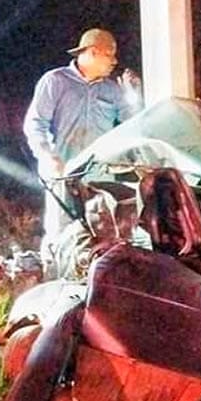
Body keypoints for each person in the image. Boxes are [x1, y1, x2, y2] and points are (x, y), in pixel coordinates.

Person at [23, 28, 143, 266]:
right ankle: (56, 274)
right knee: (61, 231)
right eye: (109, 55)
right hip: (63, 173)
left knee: (102, 230)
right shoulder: (55, 81)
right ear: (93, 52)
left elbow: (134, 125)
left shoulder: (111, 89)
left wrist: (134, 96)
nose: (114, 62)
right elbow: (34, 124)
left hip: (99, 174)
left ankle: (94, 277)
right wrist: (47, 155)